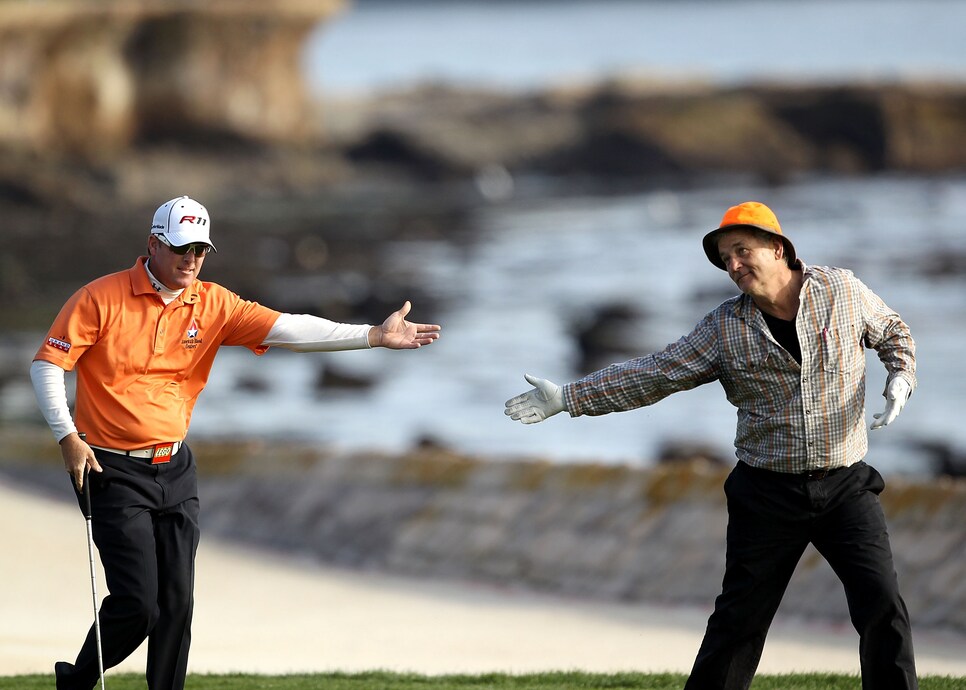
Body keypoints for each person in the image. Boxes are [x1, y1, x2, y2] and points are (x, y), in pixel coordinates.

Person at [31, 195, 441, 690]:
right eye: (182, 249)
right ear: (154, 245)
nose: (192, 261)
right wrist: (67, 437)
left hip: (175, 469)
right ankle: (77, 681)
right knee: (139, 604)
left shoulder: (213, 304)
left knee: (178, 603)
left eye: (201, 251)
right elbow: (48, 365)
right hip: (110, 469)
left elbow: (290, 328)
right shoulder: (100, 298)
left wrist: (373, 335)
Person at [504, 201, 918, 689]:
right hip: (766, 495)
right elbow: (656, 374)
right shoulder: (724, 328)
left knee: (882, 606)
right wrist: (570, 398)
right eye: (726, 259)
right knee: (738, 625)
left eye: (742, 251)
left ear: (779, 248)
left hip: (846, 485)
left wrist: (901, 379)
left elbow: (893, 330)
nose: (734, 266)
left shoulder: (843, 292)